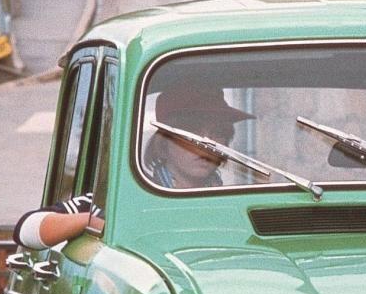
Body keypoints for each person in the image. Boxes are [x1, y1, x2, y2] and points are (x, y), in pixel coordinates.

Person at [13, 88, 252, 249]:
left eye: (218, 133)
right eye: (191, 134)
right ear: (164, 141)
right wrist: (95, 222)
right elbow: (27, 228)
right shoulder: (124, 199)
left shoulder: (236, 201)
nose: (206, 145)